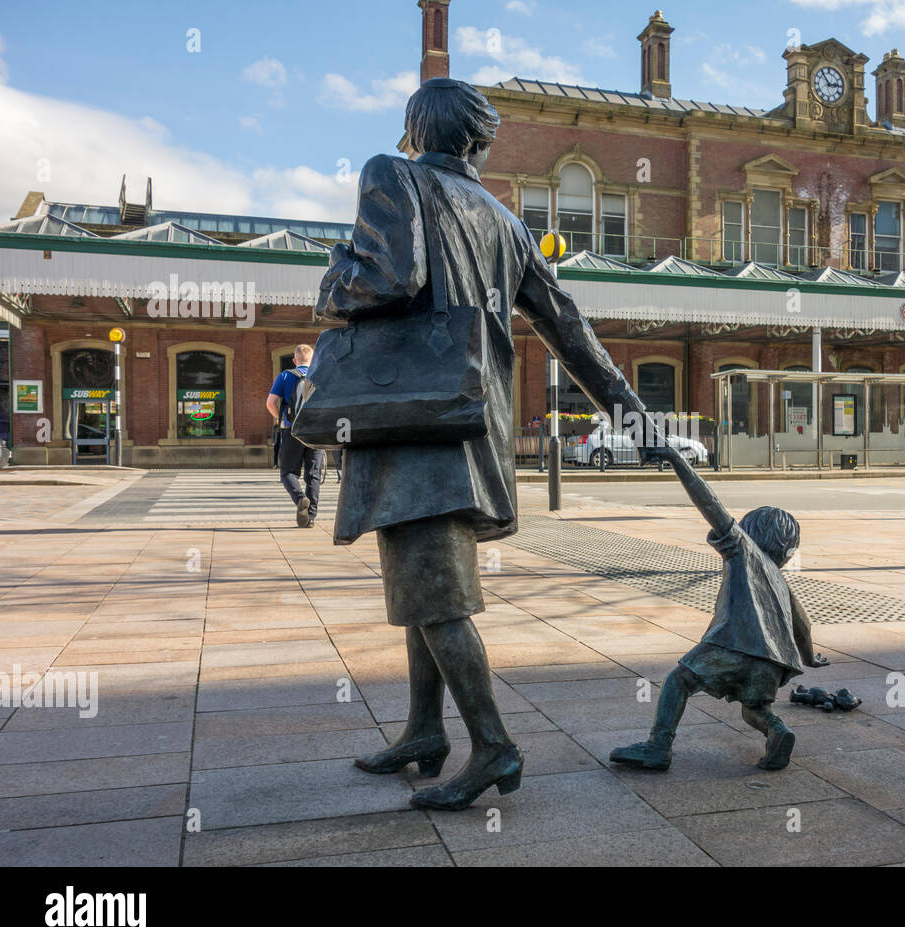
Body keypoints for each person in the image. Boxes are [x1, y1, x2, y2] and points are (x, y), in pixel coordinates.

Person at [315, 78, 658, 811]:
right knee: (424, 585)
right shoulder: (508, 221)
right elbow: (568, 326)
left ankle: (493, 746)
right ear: (480, 140)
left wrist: (334, 277)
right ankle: (422, 732)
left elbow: (386, 278)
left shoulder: (391, 174)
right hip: (472, 429)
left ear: (416, 130)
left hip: (414, 423)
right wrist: (629, 410)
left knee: (436, 597)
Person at [610, 444, 828, 772]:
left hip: (732, 644)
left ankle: (658, 746)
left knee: (678, 681)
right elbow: (804, 626)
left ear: (748, 531)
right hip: (771, 663)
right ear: (787, 552)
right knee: (753, 708)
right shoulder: (782, 582)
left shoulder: (742, 548)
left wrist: (676, 460)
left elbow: (708, 501)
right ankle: (777, 731)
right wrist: (810, 658)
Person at [267, 344, 324, 528]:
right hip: (316, 432)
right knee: (313, 475)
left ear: (294, 360)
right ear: (313, 360)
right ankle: (311, 517)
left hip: (292, 429)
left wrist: (281, 418)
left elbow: (270, 402)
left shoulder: (285, 376)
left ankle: (300, 499)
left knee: (287, 473)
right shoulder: (322, 376)